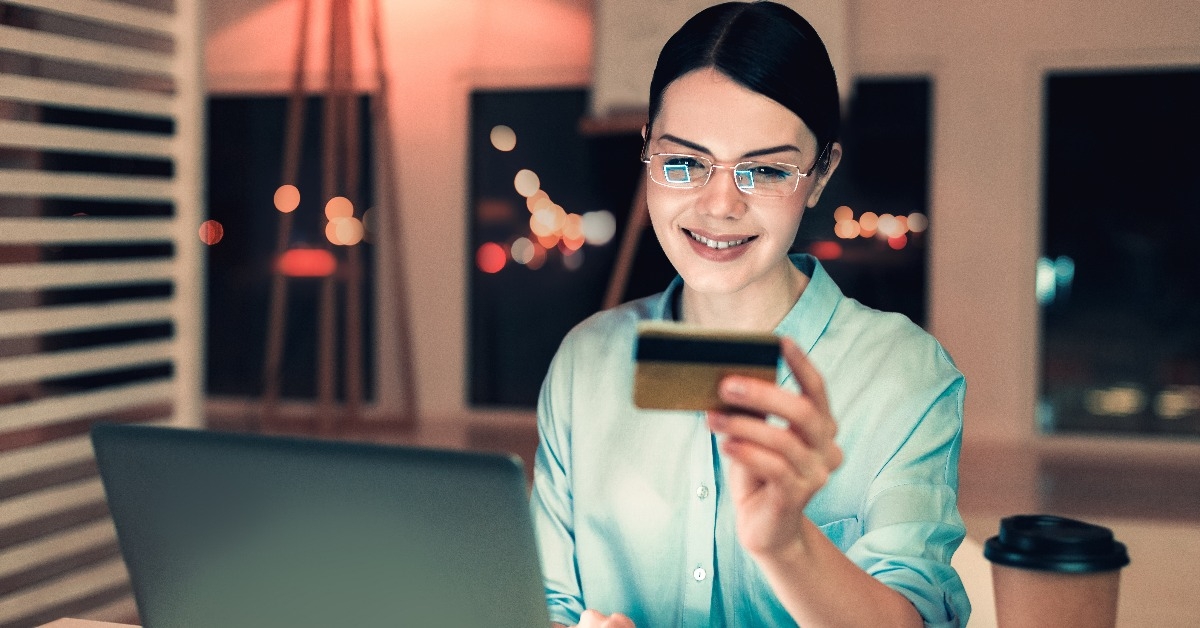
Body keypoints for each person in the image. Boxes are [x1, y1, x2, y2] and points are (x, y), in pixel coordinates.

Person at [529, 2, 970, 626]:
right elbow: (544, 600)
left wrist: (788, 545)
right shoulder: (587, 362)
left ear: (819, 177)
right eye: (683, 163)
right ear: (648, 152)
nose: (719, 206)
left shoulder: (902, 373)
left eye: (764, 171)